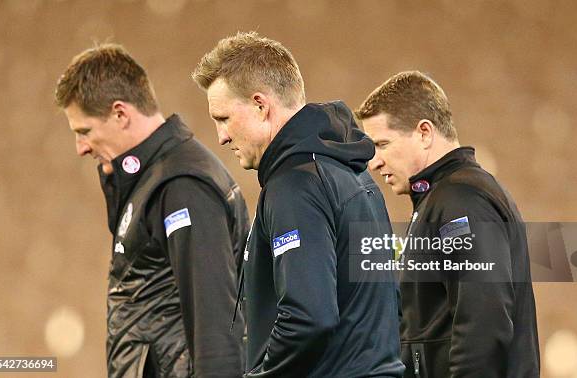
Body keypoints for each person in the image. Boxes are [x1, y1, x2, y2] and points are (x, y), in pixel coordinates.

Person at [192, 32, 405, 377]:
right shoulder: (354, 175)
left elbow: (308, 318)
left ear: (261, 106)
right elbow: (391, 306)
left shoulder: (295, 186)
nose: (222, 137)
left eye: (223, 118)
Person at [55, 44, 249, 377]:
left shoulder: (181, 185)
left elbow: (215, 324)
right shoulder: (153, 180)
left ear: (120, 114)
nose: (81, 147)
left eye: (84, 131)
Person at [355, 71, 540, 377]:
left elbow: (483, 321)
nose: (373, 162)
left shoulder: (461, 202)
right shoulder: (441, 199)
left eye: (383, 144)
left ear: (424, 133)